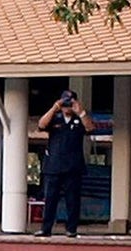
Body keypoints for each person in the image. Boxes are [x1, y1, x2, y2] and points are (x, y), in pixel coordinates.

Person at [35, 89, 96, 238]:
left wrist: (80, 112)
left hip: (73, 166)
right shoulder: (55, 119)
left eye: (69, 103)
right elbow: (41, 125)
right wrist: (55, 108)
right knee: (50, 199)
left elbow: (91, 128)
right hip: (54, 166)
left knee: (73, 199)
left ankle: (71, 228)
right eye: (65, 103)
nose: (67, 107)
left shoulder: (79, 120)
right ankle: (46, 228)